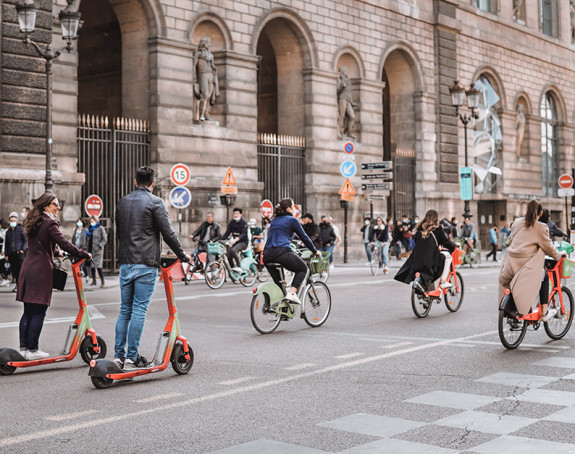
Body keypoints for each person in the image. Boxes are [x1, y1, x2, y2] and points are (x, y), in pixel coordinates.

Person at [114, 166, 189, 370]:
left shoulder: (122, 202)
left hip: (126, 262)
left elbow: (120, 233)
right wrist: (182, 255)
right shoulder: (155, 202)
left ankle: (118, 356)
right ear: (153, 183)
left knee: (124, 310)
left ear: (134, 181)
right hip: (146, 263)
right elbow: (168, 233)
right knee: (139, 309)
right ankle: (131, 357)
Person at [16, 194, 92, 359]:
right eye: (55, 204)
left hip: (28, 268)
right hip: (40, 271)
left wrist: (58, 252)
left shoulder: (33, 221)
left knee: (28, 311)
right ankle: (33, 350)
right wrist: (84, 254)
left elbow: (41, 244)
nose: (58, 207)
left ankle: (24, 348)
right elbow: (64, 242)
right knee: (39, 311)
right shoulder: (50, 223)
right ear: (45, 206)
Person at [499, 200, 565, 321]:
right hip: (526, 266)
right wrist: (559, 255)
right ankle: (544, 313)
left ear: (527, 210)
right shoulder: (541, 227)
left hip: (510, 264)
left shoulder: (517, 223)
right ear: (540, 213)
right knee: (544, 276)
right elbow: (549, 248)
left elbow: (510, 240)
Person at [263, 198, 321, 304]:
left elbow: (284, 234)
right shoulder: (292, 220)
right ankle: (292, 293)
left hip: (266, 255)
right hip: (281, 252)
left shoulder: (274, 220)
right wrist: (315, 250)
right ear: (289, 209)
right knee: (303, 269)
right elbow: (304, 237)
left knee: (279, 284)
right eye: (293, 207)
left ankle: (281, 309)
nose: (294, 209)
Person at [394, 209, 456, 291]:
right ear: (436, 219)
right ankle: (443, 281)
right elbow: (446, 242)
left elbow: (417, 242)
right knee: (448, 257)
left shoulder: (419, 228)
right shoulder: (437, 229)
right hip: (429, 262)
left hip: (416, 261)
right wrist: (454, 246)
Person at [193, 37, 219, 121]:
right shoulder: (198, 53)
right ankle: (201, 114)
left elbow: (213, 65)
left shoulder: (211, 55)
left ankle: (206, 113)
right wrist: (194, 76)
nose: (209, 44)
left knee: (210, 96)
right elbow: (194, 65)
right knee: (205, 94)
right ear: (204, 43)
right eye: (208, 43)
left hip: (210, 75)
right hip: (203, 74)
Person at [221, 207, 248, 273]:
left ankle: (239, 267)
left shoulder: (244, 223)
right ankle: (233, 270)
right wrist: (220, 240)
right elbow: (227, 233)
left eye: (237, 214)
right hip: (235, 243)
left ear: (241, 214)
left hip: (243, 242)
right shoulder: (232, 223)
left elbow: (243, 234)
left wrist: (235, 240)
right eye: (234, 214)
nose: (235, 215)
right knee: (229, 256)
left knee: (233, 250)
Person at [5, 211, 27, 292]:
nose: (13, 222)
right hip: (11, 254)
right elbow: (6, 244)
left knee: (21, 270)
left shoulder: (21, 229)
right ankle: (18, 285)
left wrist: (22, 249)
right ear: (9, 222)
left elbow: (25, 241)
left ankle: (22, 286)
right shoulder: (8, 232)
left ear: (16, 221)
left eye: (14, 221)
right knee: (14, 271)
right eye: (11, 221)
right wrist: (6, 254)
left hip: (19, 253)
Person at [87, 215, 107, 288]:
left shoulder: (100, 228)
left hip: (98, 250)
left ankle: (102, 281)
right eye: (90, 221)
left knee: (98, 266)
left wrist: (100, 245)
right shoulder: (90, 229)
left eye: (92, 221)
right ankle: (94, 281)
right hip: (91, 250)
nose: (91, 223)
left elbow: (104, 238)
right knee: (92, 266)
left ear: (96, 221)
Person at [336, 66, 356, 137]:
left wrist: (351, 101)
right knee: (342, 116)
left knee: (352, 116)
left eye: (346, 71)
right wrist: (342, 87)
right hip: (342, 99)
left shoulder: (348, 81)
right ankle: (341, 133)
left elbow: (349, 92)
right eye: (345, 71)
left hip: (348, 100)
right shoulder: (339, 80)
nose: (346, 72)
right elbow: (337, 91)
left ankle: (349, 132)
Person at [0, 218, 11, 287]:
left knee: (3, 265)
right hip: (2, 250)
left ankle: (6, 279)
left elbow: (5, 242)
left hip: (3, 250)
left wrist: (3, 250)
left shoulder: (6, 231)